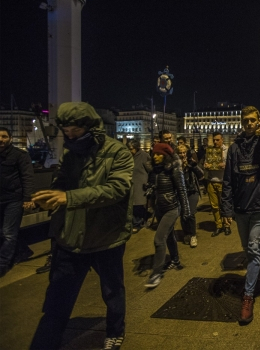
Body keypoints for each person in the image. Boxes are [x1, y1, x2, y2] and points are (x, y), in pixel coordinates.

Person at [30, 102, 133, 350]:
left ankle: (115, 331)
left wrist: (69, 198)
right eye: (65, 130)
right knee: (57, 300)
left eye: (74, 129)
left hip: (105, 236)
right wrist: (52, 195)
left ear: (90, 126)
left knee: (112, 291)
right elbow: (62, 180)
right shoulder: (71, 154)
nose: (69, 135)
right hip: (69, 237)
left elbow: (117, 189)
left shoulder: (118, 153)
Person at [221, 106, 260, 323]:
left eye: (253, 120)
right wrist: (226, 208)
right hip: (241, 209)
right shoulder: (235, 148)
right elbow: (227, 180)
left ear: (259, 121)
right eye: (245, 120)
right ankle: (254, 277)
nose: (249, 124)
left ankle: (248, 297)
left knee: (254, 248)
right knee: (248, 249)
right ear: (241, 122)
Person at [145, 143, 192, 288]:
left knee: (159, 239)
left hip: (171, 208)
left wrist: (186, 211)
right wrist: (150, 191)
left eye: (159, 154)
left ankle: (156, 273)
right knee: (169, 235)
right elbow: (153, 187)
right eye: (154, 154)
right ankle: (175, 260)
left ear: (166, 156)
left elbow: (182, 190)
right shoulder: (154, 171)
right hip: (159, 208)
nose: (156, 157)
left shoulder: (174, 169)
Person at [0, 127, 35, 277]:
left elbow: (27, 177)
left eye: (4, 136)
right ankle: (22, 251)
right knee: (5, 232)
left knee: (8, 233)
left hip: (14, 199)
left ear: (10, 138)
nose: (0, 139)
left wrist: (28, 198)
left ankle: (2, 264)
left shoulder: (19, 155)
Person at [177, 144, 204, 248]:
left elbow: (201, 175)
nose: (182, 155)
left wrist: (193, 166)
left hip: (192, 191)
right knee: (183, 214)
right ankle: (186, 233)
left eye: (184, 152)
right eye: (180, 153)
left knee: (191, 213)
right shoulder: (175, 165)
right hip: (181, 192)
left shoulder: (191, 163)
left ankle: (193, 235)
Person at [205, 132, 230, 236]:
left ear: (222, 140)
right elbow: (206, 163)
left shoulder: (227, 150)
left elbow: (232, 165)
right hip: (211, 180)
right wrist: (206, 165)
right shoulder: (210, 151)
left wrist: (226, 165)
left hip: (222, 181)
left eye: (217, 140)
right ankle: (218, 226)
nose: (215, 142)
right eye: (214, 140)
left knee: (224, 205)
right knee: (214, 206)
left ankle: (227, 225)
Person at [127, 140, 151, 233]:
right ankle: (136, 222)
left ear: (136, 148)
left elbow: (150, 169)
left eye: (131, 149)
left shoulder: (144, 156)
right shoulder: (128, 156)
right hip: (131, 183)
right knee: (132, 204)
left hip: (141, 184)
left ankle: (138, 223)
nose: (129, 151)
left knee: (138, 204)